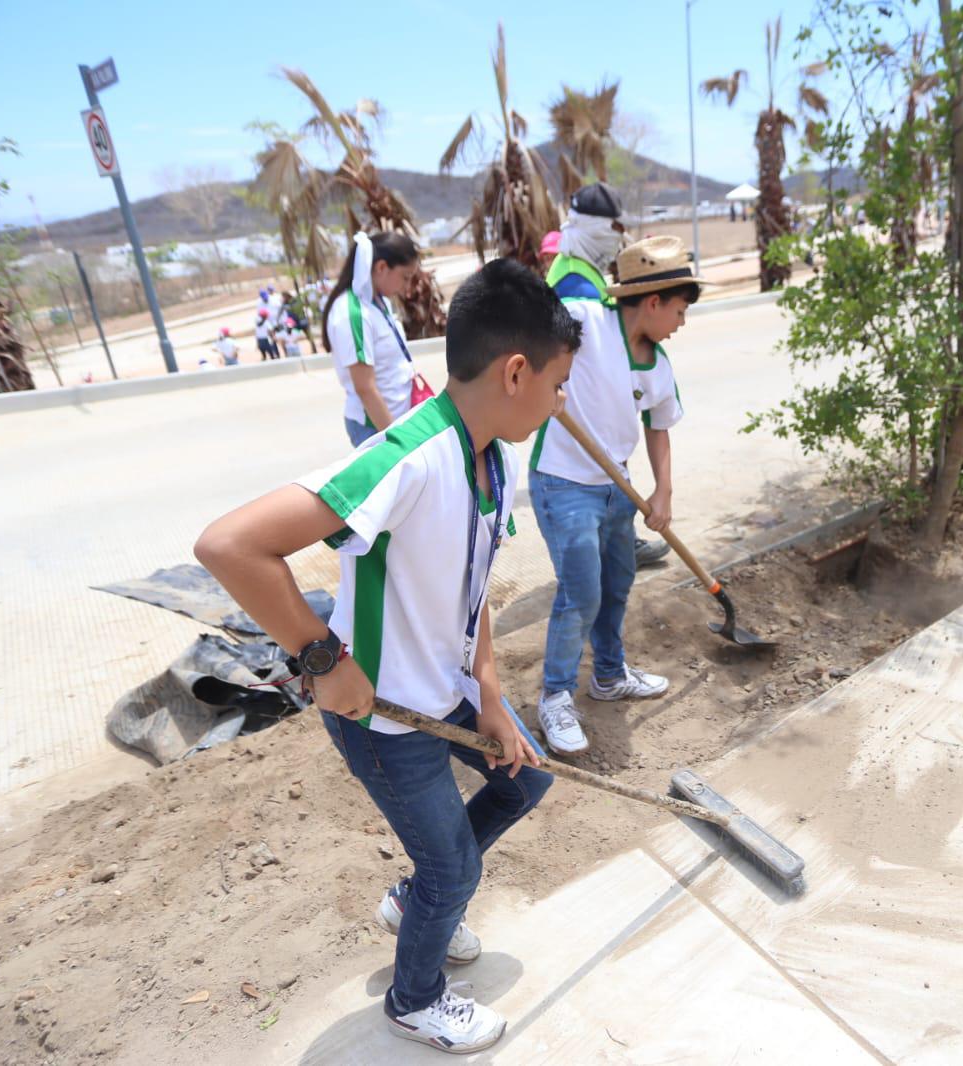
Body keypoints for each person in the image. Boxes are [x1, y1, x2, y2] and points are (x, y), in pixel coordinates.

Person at [194, 258, 580, 1054]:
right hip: (383, 720)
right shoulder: (406, 457)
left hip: (448, 690)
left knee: (526, 778)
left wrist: (492, 692)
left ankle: (416, 903)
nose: (560, 400)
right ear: (516, 372)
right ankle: (415, 998)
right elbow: (230, 546)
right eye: (558, 381)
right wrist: (320, 656)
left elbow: (471, 593)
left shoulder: (492, 461)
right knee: (454, 873)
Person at [528, 236, 708, 754]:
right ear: (651, 303)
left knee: (616, 585)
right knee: (580, 591)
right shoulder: (584, 318)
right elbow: (529, 330)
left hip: (617, 489)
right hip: (564, 482)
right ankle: (556, 696)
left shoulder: (659, 365)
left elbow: (659, 428)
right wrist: (547, 378)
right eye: (678, 310)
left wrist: (663, 493)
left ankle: (608, 674)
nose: (680, 322)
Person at [546, 183, 672, 568]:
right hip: (580, 420)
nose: (615, 241)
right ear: (588, 228)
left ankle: (619, 543)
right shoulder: (573, 282)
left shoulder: (584, 268)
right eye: (610, 231)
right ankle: (612, 551)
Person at [324, 232, 423, 447]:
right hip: (377, 428)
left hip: (395, 420)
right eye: (405, 277)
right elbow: (365, 388)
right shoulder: (353, 314)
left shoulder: (377, 302)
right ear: (381, 268)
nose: (406, 287)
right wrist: (398, 442)